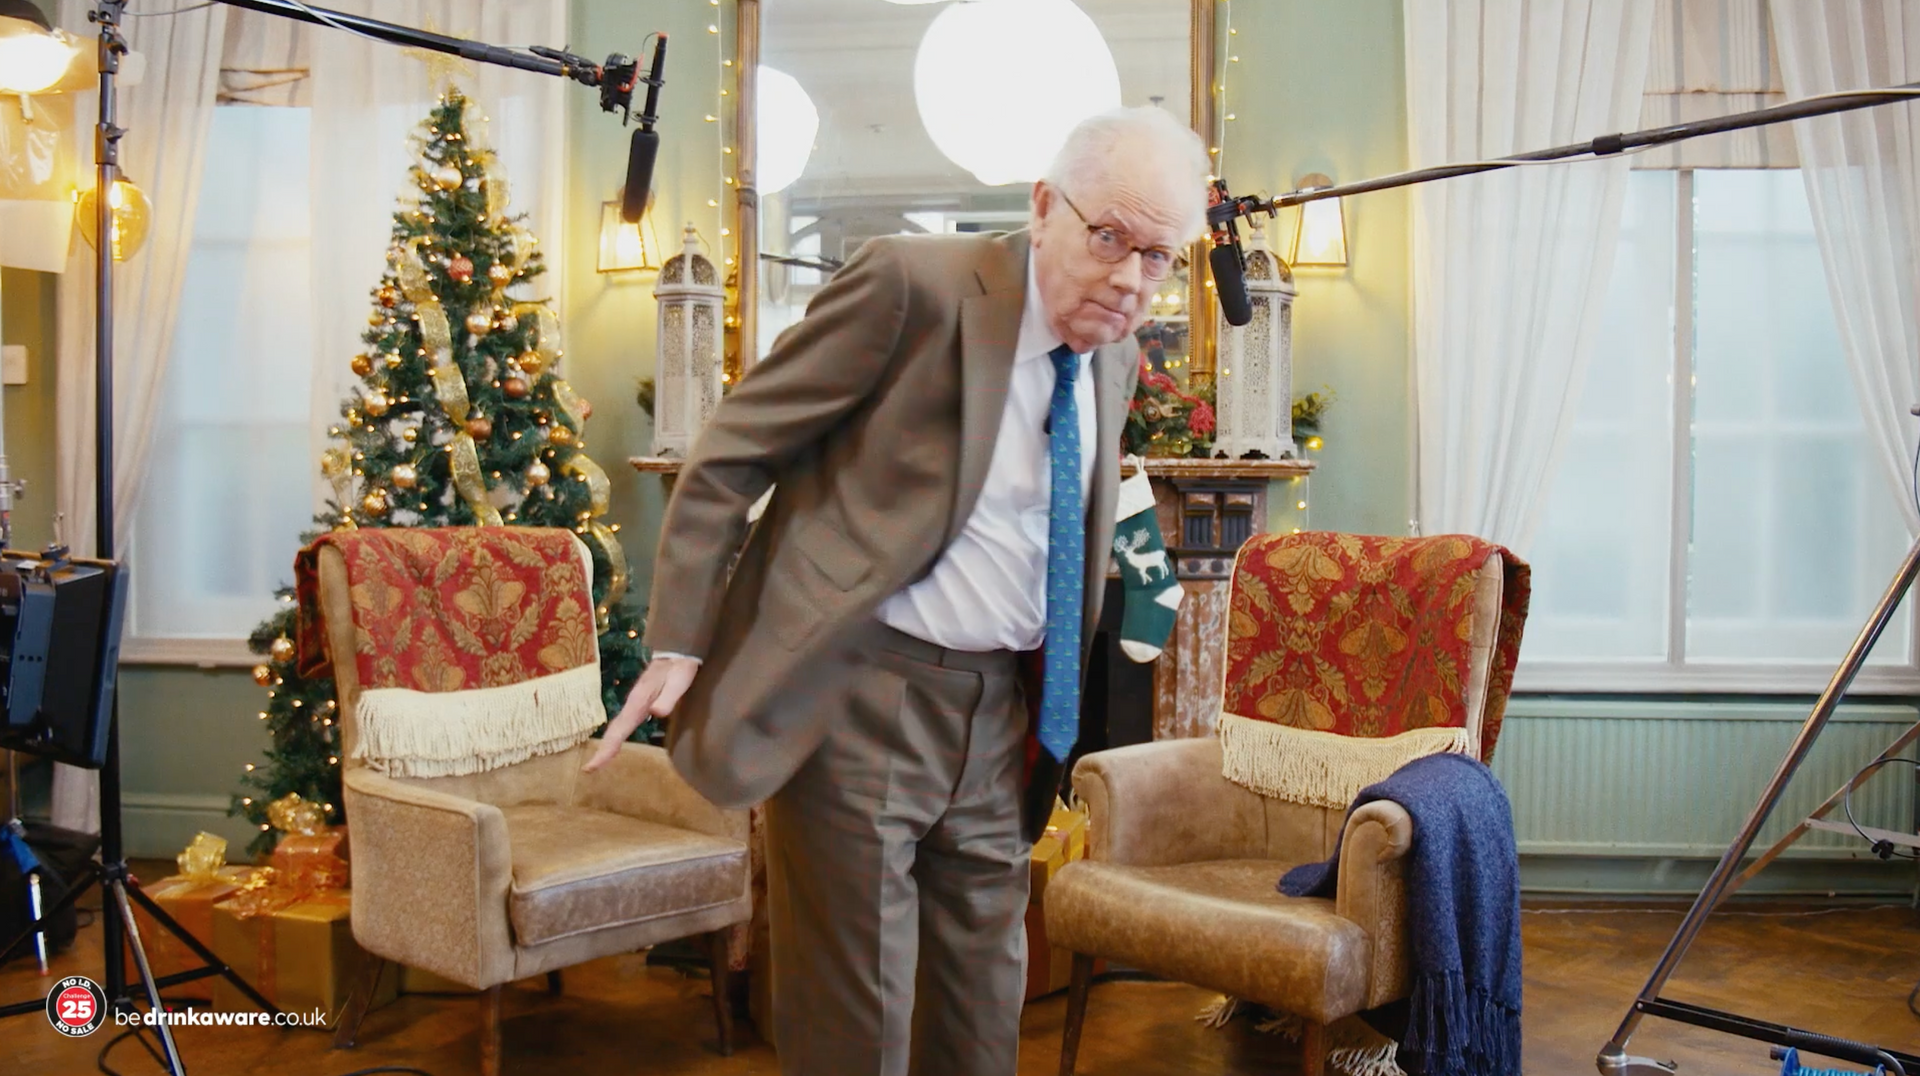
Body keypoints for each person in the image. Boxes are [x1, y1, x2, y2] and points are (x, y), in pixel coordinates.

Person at [585, 106, 1211, 1076]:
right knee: (858, 1020)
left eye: (1159, 256)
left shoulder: (1116, 356)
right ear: (1046, 206)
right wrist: (681, 638)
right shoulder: (909, 286)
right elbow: (733, 450)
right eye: (1110, 237)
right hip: (863, 697)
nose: (1131, 278)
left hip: (1003, 716)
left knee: (984, 1005)